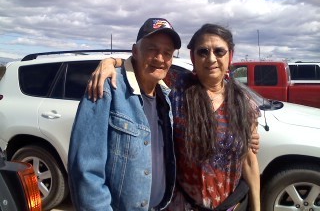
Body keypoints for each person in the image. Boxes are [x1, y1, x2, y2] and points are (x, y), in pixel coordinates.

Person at [88, 24, 261, 210]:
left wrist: (257, 207)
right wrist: (111, 62)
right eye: (203, 51)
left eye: (219, 51)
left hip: (228, 206)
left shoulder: (244, 103)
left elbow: (249, 160)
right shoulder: (177, 91)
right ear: (193, 58)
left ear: (230, 56)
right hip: (181, 205)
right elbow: (149, 66)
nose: (211, 58)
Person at [68, 18, 181, 210]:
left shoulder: (168, 98)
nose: (160, 58)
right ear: (135, 51)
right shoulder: (107, 88)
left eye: (167, 53)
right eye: (152, 49)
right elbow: (85, 173)